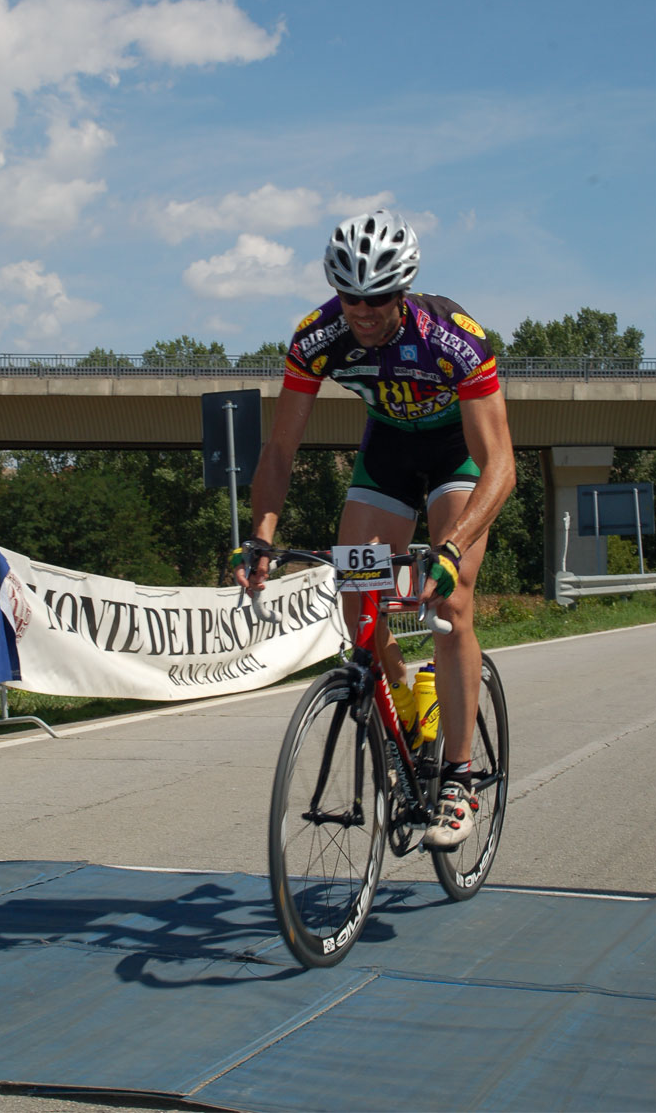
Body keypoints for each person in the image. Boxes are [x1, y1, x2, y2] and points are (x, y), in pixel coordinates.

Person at [234, 209, 515, 850]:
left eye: (378, 298)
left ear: (404, 288)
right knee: (357, 592)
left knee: (450, 599)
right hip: (387, 450)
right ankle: (402, 707)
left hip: (458, 454)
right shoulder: (317, 337)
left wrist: (449, 547)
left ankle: (458, 777)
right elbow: (280, 452)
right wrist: (262, 535)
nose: (362, 310)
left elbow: (502, 467)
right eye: (350, 297)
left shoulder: (453, 337)